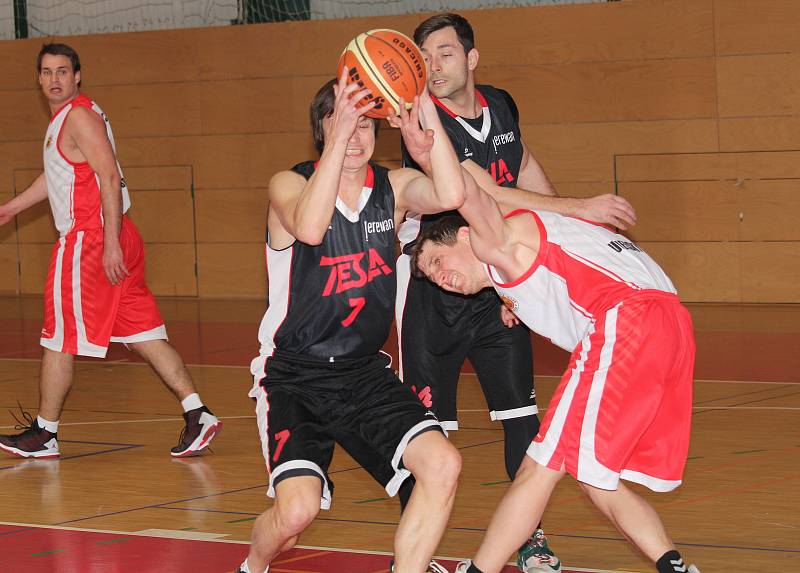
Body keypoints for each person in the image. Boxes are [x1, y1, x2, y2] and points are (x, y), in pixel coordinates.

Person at [390, 13, 636, 573]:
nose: (433, 66)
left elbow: (521, 162)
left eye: (445, 53)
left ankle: (531, 541)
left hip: (499, 283)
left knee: (523, 420)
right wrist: (581, 209)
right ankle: (418, 552)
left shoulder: (500, 102)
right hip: (438, 291)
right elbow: (490, 194)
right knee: (427, 435)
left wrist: (570, 235)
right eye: (424, 57)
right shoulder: (428, 127)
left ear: (472, 59)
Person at [409, 164, 700, 573]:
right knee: (594, 477)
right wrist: (513, 302)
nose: (441, 279)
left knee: (537, 469)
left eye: (437, 262)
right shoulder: (530, 251)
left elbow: (471, 194)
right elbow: (563, 271)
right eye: (432, 279)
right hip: (672, 324)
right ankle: (675, 566)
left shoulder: (497, 237)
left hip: (626, 321)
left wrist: (427, 137)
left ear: (464, 235)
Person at [237, 71, 467, 573]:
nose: (358, 135)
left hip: (364, 372)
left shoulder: (394, 187)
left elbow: (452, 195)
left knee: (443, 464)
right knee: (295, 512)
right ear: (323, 128)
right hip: (295, 374)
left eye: (367, 124)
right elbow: (313, 229)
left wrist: (426, 120)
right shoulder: (288, 183)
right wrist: (337, 142)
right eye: (345, 122)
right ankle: (253, 565)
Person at [0, 43, 221, 459]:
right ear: (38, 78)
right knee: (143, 336)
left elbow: (108, 175)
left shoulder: (78, 116)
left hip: (91, 239)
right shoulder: (75, 117)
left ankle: (44, 433)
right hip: (113, 236)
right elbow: (58, 176)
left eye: (62, 71)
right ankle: (198, 413)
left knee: (58, 339)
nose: (53, 80)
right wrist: (11, 208)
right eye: (46, 72)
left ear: (77, 75)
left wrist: (110, 240)